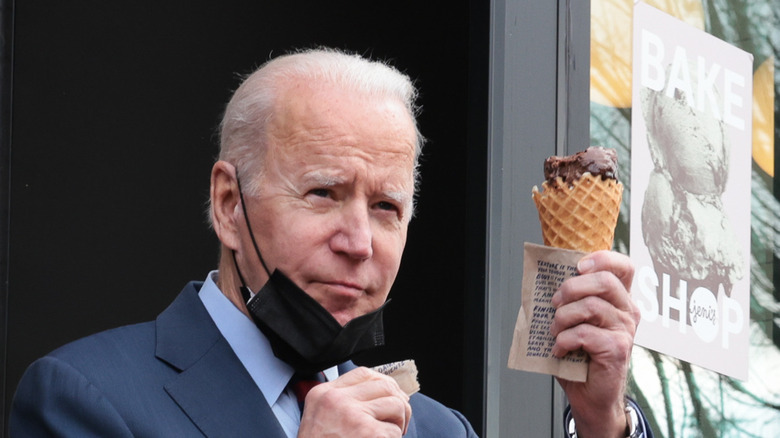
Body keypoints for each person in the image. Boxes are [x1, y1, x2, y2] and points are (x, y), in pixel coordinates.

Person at [11, 48, 651, 437]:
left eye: (385, 208)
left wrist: (602, 424)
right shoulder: (86, 398)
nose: (359, 242)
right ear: (230, 206)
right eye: (322, 194)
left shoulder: (434, 430)